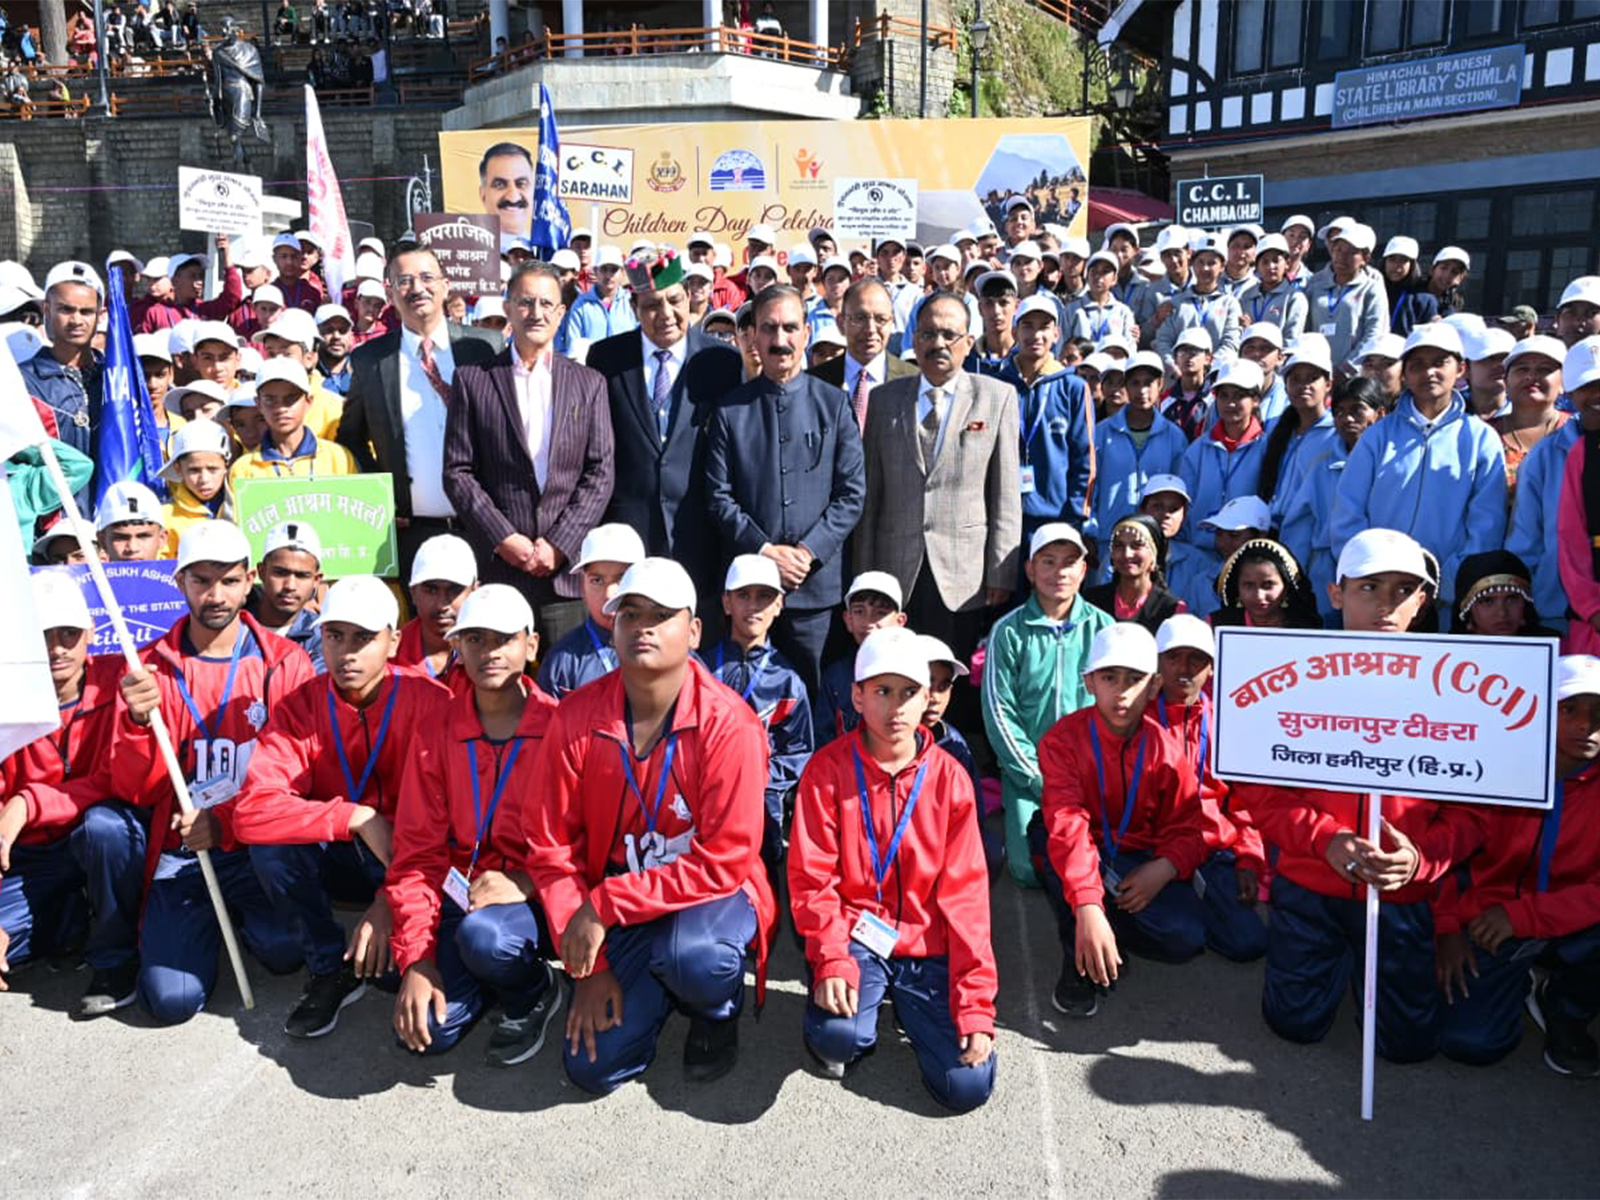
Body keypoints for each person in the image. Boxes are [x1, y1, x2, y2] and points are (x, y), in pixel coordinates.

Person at [522, 558, 775, 1093]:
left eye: (662, 615)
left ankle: (713, 1012)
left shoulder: (731, 725)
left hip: (708, 897)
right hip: (619, 900)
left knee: (695, 958)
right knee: (591, 1069)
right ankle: (652, 990)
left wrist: (606, 905)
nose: (643, 627)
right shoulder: (576, 717)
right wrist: (589, 968)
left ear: (695, 630)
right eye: (630, 614)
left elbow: (727, 859)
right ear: (612, 627)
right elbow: (550, 847)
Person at [1238, 529, 1476, 1062]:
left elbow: (1473, 813)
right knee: (1293, 1024)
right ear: (1336, 592)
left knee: (1409, 1047)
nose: (1386, 605)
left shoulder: (1459, 691)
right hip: (1310, 882)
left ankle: (1364, 971)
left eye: (1402, 590)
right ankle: (1335, 965)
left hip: (1402, 892)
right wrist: (1326, 838)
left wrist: (1421, 859)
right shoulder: (1289, 676)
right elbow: (1260, 791)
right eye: (1369, 587)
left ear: (1423, 601)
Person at [111, 521, 313, 1023]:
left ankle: (248, 924)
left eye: (228, 580)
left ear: (250, 582)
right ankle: (196, 931)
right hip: (185, 853)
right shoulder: (149, 669)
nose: (215, 594)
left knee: (288, 952)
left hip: (254, 846)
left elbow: (299, 776)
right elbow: (137, 787)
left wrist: (226, 821)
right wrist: (138, 724)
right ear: (180, 583)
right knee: (172, 1001)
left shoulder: (284, 662)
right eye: (201, 581)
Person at [788, 627, 996, 1109]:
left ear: (927, 698)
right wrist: (832, 958)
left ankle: (914, 1005)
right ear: (857, 697)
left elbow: (968, 900)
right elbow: (812, 881)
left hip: (930, 941)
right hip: (859, 932)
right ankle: (860, 998)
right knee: (836, 1036)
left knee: (966, 1087)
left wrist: (975, 1007)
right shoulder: (825, 771)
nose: (896, 706)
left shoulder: (951, 780)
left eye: (909, 693)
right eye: (882, 691)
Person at [232, 576, 445, 1037]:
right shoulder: (300, 706)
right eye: (334, 635)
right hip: (344, 850)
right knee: (272, 849)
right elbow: (251, 811)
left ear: (393, 642)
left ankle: (390, 938)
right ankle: (329, 968)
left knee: (395, 978)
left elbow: (451, 826)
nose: (347, 652)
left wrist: (390, 899)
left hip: (417, 859)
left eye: (364, 638)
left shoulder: (433, 702)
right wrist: (355, 816)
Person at [387, 584, 564, 1062]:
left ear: (531, 646)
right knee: (423, 1031)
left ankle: (533, 989)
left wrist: (526, 881)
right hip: (460, 898)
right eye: (476, 639)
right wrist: (417, 959)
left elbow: (586, 844)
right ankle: (481, 979)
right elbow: (417, 852)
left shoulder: (562, 728)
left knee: (486, 939)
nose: (489, 652)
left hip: (536, 904)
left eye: (504, 639)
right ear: (458, 649)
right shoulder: (436, 731)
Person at [1031, 623, 1208, 1016]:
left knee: (1186, 936)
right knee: (1048, 840)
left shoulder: (1164, 748)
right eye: (1109, 677)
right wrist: (1088, 905)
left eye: (1135, 679)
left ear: (1155, 685)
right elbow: (1067, 824)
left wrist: (1164, 868)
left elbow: (1191, 828)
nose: (1122, 691)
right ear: (1089, 682)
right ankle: (1080, 950)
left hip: (1135, 857)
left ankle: (1109, 928)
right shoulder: (1061, 741)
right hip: (1080, 850)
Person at [1436, 654, 1600, 1076]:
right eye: (1569, 709)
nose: (1586, 725)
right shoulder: (1494, 768)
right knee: (1468, 1042)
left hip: (1569, 924)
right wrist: (1446, 929)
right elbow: (1447, 852)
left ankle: (1566, 1005)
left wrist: (1524, 916)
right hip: (1487, 922)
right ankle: (1519, 980)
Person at [0, 572, 148, 1017]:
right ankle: (62, 923)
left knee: (107, 828)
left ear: (91, 634)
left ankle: (116, 961)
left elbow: (118, 777)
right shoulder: (8, 698)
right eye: (44, 635)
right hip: (30, 855)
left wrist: (28, 802)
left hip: (99, 836)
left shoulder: (121, 679)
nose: (57, 647)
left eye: (68, 633)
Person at [705, 285, 865, 694]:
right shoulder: (729, 410)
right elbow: (719, 497)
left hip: (815, 592)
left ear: (807, 333)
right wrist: (765, 552)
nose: (780, 341)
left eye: (790, 328)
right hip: (749, 597)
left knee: (814, 701)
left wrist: (807, 553)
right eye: (769, 329)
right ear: (753, 337)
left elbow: (851, 494)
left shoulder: (833, 403)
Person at [443, 262, 612, 646]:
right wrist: (504, 538)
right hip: (500, 569)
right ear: (507, 308)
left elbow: (599, 472)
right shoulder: (474, 380)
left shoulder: (589, 384)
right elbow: (458, 471)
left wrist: (559, 543)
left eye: (546, 304)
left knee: (565, 693)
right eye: (525, 302)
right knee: (498, 687)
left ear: (561, 313)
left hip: (564, 575)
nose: (536, 313)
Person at [856, 293, 1020, 660]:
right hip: (895, 569)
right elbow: (871, 495)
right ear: (914, 341)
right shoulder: (883, 400)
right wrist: (864, 571)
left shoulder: (997, 397)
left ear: (968, 343)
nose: (939, 343)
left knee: (954, 679)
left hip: (965, 575)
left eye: (950, 334)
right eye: (928, 334)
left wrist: (1001, 572)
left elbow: (1006, 494)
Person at [586, 247, 743, 618]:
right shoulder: (606, 359)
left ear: (689, 296)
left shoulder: (721, 361)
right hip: (629, 533)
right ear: (635, 306)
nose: (666, 315)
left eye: (674, 300)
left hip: (699, 535)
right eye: (652, 305)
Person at [335, 247, 501, 578]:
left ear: (446, 285)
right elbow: (350, 438)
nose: (417, 288)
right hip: (413, 532)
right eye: (405, 280)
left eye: (426, 277)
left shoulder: (486, 347)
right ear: (390, 291)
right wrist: (381, 495)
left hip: (486, 528)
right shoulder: (370, 360)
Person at [1331, 324, 1507, 616]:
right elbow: (1347, 514)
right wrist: (1373, 579)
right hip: (1378, 599)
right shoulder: (1377, 436)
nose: (1429, 373)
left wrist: (1442, 585)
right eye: (1417, 365)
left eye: (1440, 362)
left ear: (1460, 369)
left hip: (1448, 602)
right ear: (1405, 374)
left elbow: (1485, 527)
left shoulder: (1480, 438)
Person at [982, 524, 1113, 886]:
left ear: (1084, 571)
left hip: (1087, 774)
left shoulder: (1104, 629)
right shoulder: (1008, 631)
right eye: (1048, 561)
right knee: (1030, 870)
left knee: (1102, 860)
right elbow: (999, 713)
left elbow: (1118, 710)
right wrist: (1038, 777)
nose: (1059, 572)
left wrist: (1086, 774)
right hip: (1029, 775)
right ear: (1030, 569)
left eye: (1070, 562)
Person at [1152, 614, 1268, 962]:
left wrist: (1248, 857)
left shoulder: (1228, 721)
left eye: (1196, 659)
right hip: (1154, 848)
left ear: (1213, 669)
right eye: (1173, 657)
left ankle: (1195, 900)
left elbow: (1244, 800)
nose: (1184, 668)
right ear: (1156, 663)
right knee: (1181, 938)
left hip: (1208, 849)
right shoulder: (1138, 718)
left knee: (1248, 943)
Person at [701, 554, 813, 888]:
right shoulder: (701, 669)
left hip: (761, 802)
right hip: (706, 795)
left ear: (779, 605)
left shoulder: (789, 680)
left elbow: (798, 750)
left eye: (764, 596)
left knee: (760, 886)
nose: (753, 606)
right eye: (743, 595)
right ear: (726, 602)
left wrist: (760, 778)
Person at [1279, 376, 1387, 622]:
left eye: (1357, 410)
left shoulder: (1393, 466)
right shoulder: (1321, 467)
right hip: (1325, 574)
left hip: (1380, 572)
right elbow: (1299, 528)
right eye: (1339, 412)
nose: (1347, 419)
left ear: (1380, 414)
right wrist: (1296, 581)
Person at [992, 295, 1095, 546]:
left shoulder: (1073, 387)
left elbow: (1084, 456)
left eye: (1044, 326)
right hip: (1003, 516)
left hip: (1055, 517)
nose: (1036, 334)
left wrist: (1074, 517)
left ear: (1057, 334)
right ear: (1015, 331)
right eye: (1028, 326)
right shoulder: (997, 383)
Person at [1511, 337, 1596, 637]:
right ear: (1570, 391)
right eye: (1588, 386)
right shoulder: (1543, 457)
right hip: (1559, 617)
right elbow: (1525, 541)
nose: (1597, 395)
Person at [18, 262, 104, 506]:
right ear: (47, 309)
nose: (76, 320)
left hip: (112, 522)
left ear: (100, 313)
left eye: (86, 311)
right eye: (66, 309)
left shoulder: (116, 379)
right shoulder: (24, 381)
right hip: (53, 525)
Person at [1180, 357, 1268, 576]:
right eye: (1224, 395)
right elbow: (1184, 503)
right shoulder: (1198, 449)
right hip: (1199, 555)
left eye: (1240, 396)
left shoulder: (1268, 449)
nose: (1230, 404)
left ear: (1256, 399)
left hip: (1247, 559)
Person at [538, 523, 644, 699]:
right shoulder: (561, 660)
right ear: (582, 587)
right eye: (597, 580)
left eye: (622, 578)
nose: (610, 595)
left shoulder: (668, 648)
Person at [809, 279, 918, 431]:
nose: (870, 329)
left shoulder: (914, 381)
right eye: (860, 319)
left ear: (891, 323)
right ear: (841, 323)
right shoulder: (813, 383)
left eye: (881, 319)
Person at [228, 359, 356, 485]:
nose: (281, 408)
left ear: (308, 402)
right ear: (259, 404)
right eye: (269, 399)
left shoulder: (338, 458)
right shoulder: (243, 470)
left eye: (291, 399)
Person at [816, 570, 907, 747]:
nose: (869, 622)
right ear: (848, 619)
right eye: (859, 611)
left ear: (900, 621)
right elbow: (823, 738)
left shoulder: (912, 672)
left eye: (881, 613)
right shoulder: (835, 676)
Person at [1256, 334, 1339, 525]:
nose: (1304, 386)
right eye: (1295, 379)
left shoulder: (1336, 433)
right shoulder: (1280, 430)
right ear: (1285, 387)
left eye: (1312, 378)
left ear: (1328, 385)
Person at [1304, 223, 1388, 380]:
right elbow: (1306, 328)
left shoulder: (1372, 288)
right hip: (1318, 374)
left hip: (1354, 376)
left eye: (1351, 252)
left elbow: (1374, 333)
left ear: (1366, 258)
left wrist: (1347, 368)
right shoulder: (1315, 284)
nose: (1341, 256)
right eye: (1338, 249)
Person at [1492, 335, 1569, 500]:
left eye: (1544, 370)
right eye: (1522, 369)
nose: (1531, 376)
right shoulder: (1485, 435)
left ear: (1564, 382)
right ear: (1505, 381)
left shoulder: (1577, 431)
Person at [396, 533, 476, 690]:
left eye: (454, 590)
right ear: (413, 593)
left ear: (474, 591)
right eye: (431, 590)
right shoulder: (388, 656)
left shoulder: (494, 656)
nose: (442, 604)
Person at [1154, 233, 1241, 373]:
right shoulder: (1176, 303)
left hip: (1216, 377)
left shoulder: (1229, 304)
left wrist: (1209, 367)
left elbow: (1230, 343)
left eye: (1211, 263)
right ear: (1192, 264)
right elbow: (1163, 341)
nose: (1205, 268)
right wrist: (1174, 365)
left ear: (1223, 266)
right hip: (1180, 377)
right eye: (1200, 262)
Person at [1083, 514, 1184, 634]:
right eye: (1119, 546)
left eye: (1137, 545)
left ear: (1154, 556)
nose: (1127, 554)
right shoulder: (1090, 602)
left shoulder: (1171, 609)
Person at [247, 521, 326, 672]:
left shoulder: (322, 635)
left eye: (302, 576)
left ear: (316, 580)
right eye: (280, 573)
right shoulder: (235, 628)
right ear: (261, 572)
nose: (290, 585)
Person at [1210, 538, 1321, 628]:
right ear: (1237, 587)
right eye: (1249, 585)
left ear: (1286, 586)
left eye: (1268, 585)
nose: (1259, 595)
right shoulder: (1217, 626)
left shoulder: (1304, 628)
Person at [158, 419, 232, 552]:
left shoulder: (241, 504)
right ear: (178, 469)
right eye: (194, 470)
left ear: (226, 465)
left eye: (212, 469)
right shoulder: (166, 516)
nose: (204, 479)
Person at [558, 246, 638, 359]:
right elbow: (573, 346)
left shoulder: (631, 302)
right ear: (595, 271)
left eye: (614, 270)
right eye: (604, 269)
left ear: (622, 272)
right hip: (591, 372)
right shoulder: (581, 305)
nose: (609, 275)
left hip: (625, 370)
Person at [1238, 233, 1307, 341]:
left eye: (1276, 260)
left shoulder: (1294, 298)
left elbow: (1291, 340)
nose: (1271, 267)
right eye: (1265, 262)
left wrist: (1251, 330)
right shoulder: (1247, 296)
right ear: (1257, 266)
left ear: (1287, 263)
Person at [1067, 252, 1136, 344]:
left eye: (1105, 272)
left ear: (1114, 279)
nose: (1098, 277)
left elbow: (1130, 347)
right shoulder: (1073, 309)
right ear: (1087, 275)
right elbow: (1063, 343)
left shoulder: (1123, 312)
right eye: (1094, 271)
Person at [1378, 236, 1441, 338]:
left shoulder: (1424, 298)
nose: (1396, 266)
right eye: (1392, 259)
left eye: (1403, 260)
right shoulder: (1373, 290)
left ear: (1412, 265)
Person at [1160, 327, 1214, 442]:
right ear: (1175, 359)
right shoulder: (1164, 399)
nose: (1188, 356)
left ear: (1208, 358)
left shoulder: (1215, 400)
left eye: (1195, 351)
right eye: (1183, 351)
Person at [95, 480, 167, 562]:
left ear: (162, 538)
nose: (133, 548)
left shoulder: (180, 575)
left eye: (143, 536)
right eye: (121, 538)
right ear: (102, 541)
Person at [1426, 246, 1470, 317]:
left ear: (1460, 279)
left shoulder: (1455, 302)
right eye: (1443, 268)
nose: (1447, 275)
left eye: (1454, 272)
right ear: (1432, 270)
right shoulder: (1412, 294)